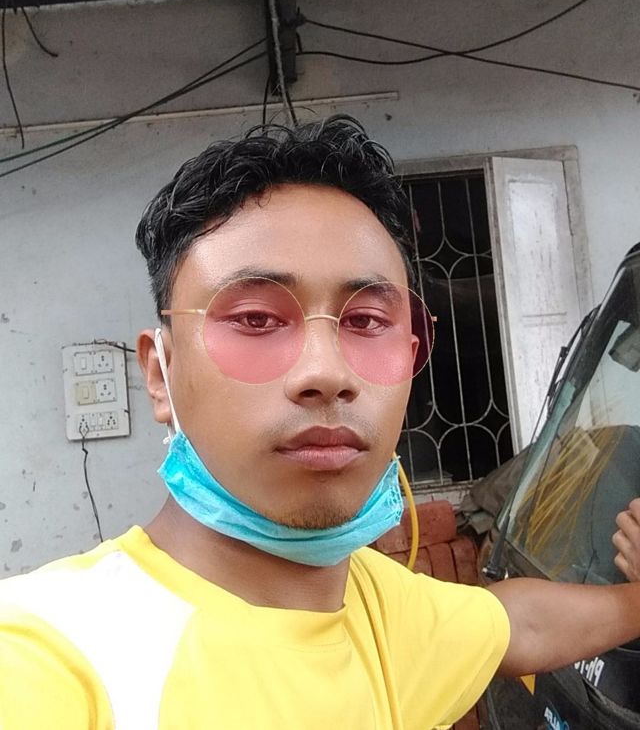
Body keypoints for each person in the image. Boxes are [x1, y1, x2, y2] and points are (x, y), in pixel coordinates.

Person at [2, 115, 640, 730]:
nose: (327, 372)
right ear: (159, 375)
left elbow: (519, 625)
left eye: (366, 321)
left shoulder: (386, 615)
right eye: (255, 319)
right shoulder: (54, 653)